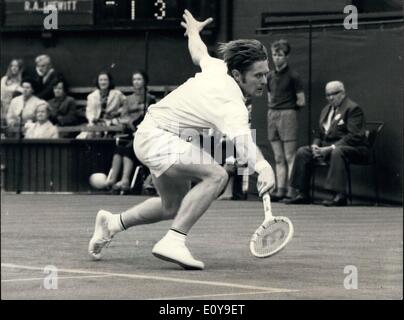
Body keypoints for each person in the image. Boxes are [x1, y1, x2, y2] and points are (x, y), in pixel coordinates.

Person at [88, 10, 275, 270]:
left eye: (266, 74)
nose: (264, 81)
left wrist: (195, 32)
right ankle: (174, 241)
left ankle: (112, 223)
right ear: (236, 74)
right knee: (217, 176)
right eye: (258, 75)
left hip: (155, 135)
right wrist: (264, 167)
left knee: (172, 206)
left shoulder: (218, 67)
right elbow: (243, 143)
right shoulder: (231, 103)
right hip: (157, 137)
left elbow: (199, 53)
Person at [285, 81, 370, 206]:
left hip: (353, 149)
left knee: (337, 151)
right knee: (303, 152)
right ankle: (302, 193)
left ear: (343, 93)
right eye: (327, 95)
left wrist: (330, 148)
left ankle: (340, 195)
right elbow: (319, 134)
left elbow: (354, 136)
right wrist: (315, 145)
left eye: (334, 94)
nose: (330, 98)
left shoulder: (353, 109)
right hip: (328, 148)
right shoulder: (326, 110)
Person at [266, 39, 305, 202]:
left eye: (280, 55)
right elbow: (269, 96)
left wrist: (287, 109)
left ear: (286, 56)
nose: (277, 58)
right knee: (278, 157)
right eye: (274, 55)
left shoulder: (294, 77)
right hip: (272, 114)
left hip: (288, 115)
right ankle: (280, 189)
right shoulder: (269, 76)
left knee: (290, 155)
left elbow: (301, 101)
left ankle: (291, 189)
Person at [106, 71, 156, 193]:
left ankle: (125, 180)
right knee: (119, 148)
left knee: (129, 148)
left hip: (144, 134)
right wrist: (131, 119)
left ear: (144, 81)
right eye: (134, 79)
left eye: (139, 79)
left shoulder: (150, 98)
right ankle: (112, 179)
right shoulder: (127, 99)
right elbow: (124, 117)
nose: (136, 82)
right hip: (130, 132)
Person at [84, 71, 126, 136]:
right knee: (90, 134)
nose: (103, 82)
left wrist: (118, 112)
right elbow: (89, 112)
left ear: (109, 81)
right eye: (101, 80)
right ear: (98, 82)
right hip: (97, 122)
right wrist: (93, 119)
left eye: (105, 80)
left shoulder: (117, 94)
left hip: (113, 121)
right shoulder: (91, 96)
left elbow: (127, 105)